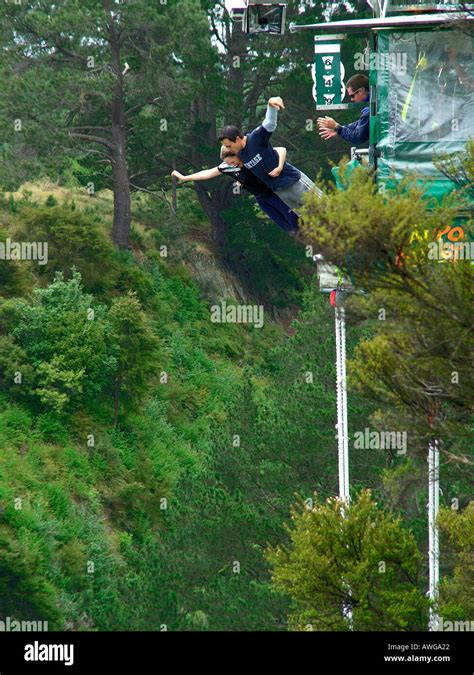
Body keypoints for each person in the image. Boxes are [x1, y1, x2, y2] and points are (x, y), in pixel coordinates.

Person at [217, 96, 322, 213]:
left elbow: (269, 124)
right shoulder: (240, 154)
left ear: (237, 139)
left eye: (228, 146)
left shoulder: (256, 138)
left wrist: (271, 106)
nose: (228, 149)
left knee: (326, 208)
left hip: (294, 182)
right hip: (281, 193)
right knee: (312, 221)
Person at [171, 146, 300, 234]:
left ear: (238, 154)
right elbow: (208, 173)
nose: (233, 165)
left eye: (233, 161)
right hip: (261, 198)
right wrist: (185, 178)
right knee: (286, 227)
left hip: (276, 194)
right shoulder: (228, 167)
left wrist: (279, 166)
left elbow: (281, 149)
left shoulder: (251, 156)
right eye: (229, 163)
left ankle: (316, 243)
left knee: (294, 222)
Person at [317, 74, 370, 146]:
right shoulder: (373, 105)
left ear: (361, 91)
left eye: (352, 95)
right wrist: (338, 129)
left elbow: (357, 137)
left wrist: (337, 127)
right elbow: (359, 123)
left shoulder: (368, 110)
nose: (352, 99)